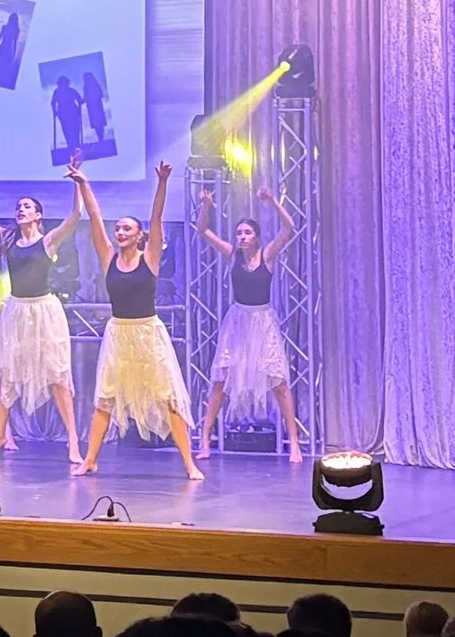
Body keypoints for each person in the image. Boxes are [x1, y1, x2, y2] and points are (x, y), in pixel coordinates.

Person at [71, 159, 202, 478]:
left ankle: (189, 463)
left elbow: (157, 219)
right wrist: (84, 184)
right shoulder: (109, 258)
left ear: (139, 235)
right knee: (105, 399)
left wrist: (162, 183)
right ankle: (90, 459)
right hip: (118, 334)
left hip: (147, 333)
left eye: (126, 228)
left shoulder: (150, 258)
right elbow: (95, 218)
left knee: (168, 398)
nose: (119, 232)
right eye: (118, 228)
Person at [0, 154, 83, 464]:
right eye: (18, 206)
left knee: (57, 375)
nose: (20, 209)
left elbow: (76, 215)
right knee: (7, 376)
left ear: (38, 215)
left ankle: (73, 442)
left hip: (44, 312)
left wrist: (78, 181)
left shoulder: (48, 241)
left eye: (27, 206)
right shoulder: (9, 239)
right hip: (16, 311)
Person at [194, 186, 305, 462]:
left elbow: (289, 228)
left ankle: (294, 442)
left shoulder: (267, 256)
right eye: (239, 233)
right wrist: (206, 205)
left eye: (247, 233)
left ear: (256, 237)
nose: (242, 237)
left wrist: (273, 201)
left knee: (278, 382)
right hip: (237, 322)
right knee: (220, 380)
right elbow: (203, 230)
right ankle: (205, 439)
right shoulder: (233, 255)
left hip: (262, 322)